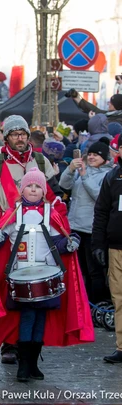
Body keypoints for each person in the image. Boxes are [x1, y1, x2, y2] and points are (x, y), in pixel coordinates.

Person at [0, 168, 93, 382]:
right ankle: (23, 364)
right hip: (20, 275)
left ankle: (32, 363)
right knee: (28, 316)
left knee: (41, 317)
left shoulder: (52, 214)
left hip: (47, 275)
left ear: (44, 190)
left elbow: (59, 242)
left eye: (38, 186)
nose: (33, 190)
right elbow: (0, 241)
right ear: (22, 190)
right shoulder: (14, 213)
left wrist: (70, 243)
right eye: (29, 186)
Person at [0, 114, 65, 364]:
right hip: (7, 232)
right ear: (7, 137)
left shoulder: (40, 161)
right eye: (15, 134)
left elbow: (55, 198)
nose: (20, 138)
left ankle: (31, 346)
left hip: (39, 231)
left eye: (23, 134)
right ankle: (9, 342)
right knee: (9, 289)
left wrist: (64, 230)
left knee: (38, 286)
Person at [59, 140, 112, 303]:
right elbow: (63, 184)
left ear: (104, 158)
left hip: (91, 228)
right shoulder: (81, 170)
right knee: (79, 269)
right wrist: (70, 170)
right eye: (89, 154)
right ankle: (83, 302)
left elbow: (99, 196)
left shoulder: (107, 174)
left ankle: (97, 303)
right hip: (75, 227)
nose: (91, 157)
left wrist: (84, 177)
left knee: (94, 270)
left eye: (96, 155)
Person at [92, 134, 122, 363]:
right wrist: (98, 244)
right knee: (118, 298)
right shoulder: (112, 177)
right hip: (116, 247)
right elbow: (101, 212)